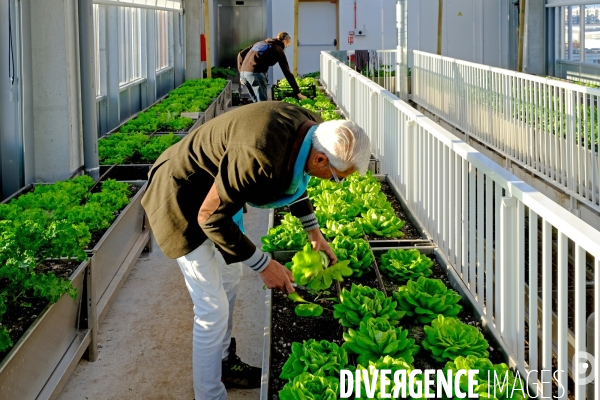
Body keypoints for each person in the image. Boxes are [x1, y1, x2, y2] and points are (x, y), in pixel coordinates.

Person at [141, 101, 371, 400]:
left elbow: (296, 178)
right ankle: (209, 395)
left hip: (220, 192)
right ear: (320, 160)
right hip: (182, 195)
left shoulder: (313, 130)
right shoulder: (259, 156)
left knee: (231, 276)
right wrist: (264, 264)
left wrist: (313, 231)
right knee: (212, 308)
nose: (336, 183)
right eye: (339, 177)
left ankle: (223, 363)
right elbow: (209, 218)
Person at [237, 31, 307, 102]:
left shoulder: (260, 43)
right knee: (262, 103)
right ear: (285, 41)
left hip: (244, 74)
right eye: (288, 45)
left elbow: (240, 54)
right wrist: (298, 92)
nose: (287, 47)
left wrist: (241, 72)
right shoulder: (278, 49)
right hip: (256, 74)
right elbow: (287, 73)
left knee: (255, 103)